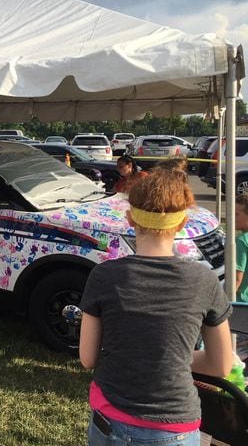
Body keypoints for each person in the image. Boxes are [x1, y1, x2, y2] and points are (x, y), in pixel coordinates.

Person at [79, 166, 233, 445]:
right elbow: (221, 365)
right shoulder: (204, 280)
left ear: (129, 218)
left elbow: (88, 358)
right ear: (182, 223)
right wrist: (175, 357)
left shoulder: (103, 276)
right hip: (175, 428)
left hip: (109, 420)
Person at [235, 193, 248, 362]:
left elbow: (235, 281)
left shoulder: (241, 241)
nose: (231, 217)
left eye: (237, 214)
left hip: (242, 307)